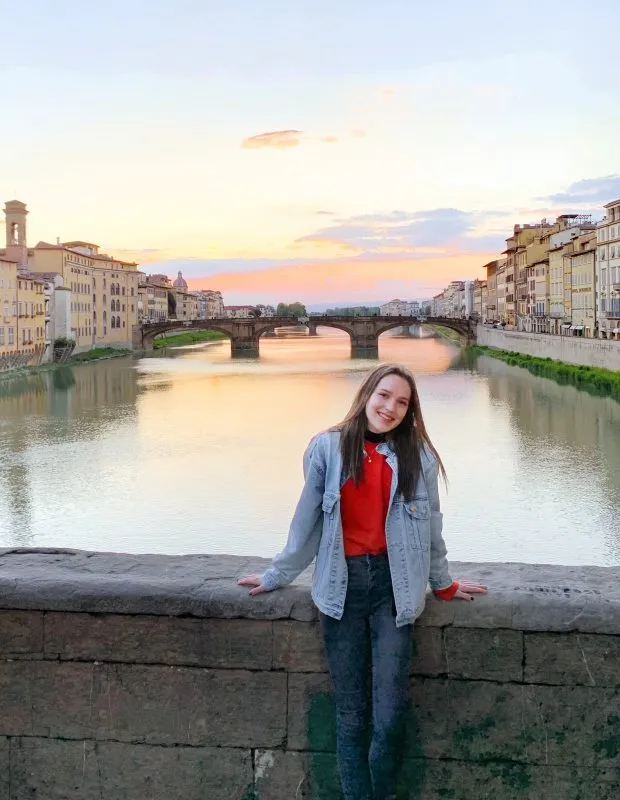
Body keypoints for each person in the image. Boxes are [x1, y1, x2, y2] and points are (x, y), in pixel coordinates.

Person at [238, 363, 487, 800]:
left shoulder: (418, 457)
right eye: (384, 395)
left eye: (402, 402)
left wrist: (443, 583)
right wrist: (278, 574)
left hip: (396, 590)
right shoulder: (327, 449)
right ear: (367, 393)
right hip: (342, 589)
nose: (390, 407)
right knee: (351, 716)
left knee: (388, 717)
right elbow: (306, 523)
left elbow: (430, 528)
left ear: (410, 412)